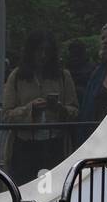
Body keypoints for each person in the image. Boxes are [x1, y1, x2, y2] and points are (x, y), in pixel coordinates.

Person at [4, 30, 79, 181]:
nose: (43, 55)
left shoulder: (63, 76)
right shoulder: (17, 76)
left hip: (55, 144)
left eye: (47, 51)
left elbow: (75, 110)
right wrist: (29, 109)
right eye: (39, 50)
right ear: (30, 51)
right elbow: (6, 115)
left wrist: (60, 109)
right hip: (25, 146)